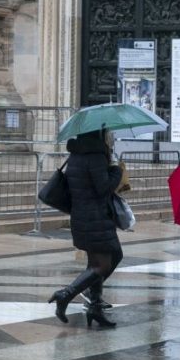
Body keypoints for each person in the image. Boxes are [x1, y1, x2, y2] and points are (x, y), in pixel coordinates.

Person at [48, 128, 123, 329]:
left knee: (112, 255)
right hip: (95, 217)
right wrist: (117, 170)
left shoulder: (77, 154)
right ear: (98, 135)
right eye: (107, 133)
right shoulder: (96, 156)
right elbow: (103, 188)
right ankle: (66, 294)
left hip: (83, 216)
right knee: (101, 266)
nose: (109, 136)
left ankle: (95, 305)